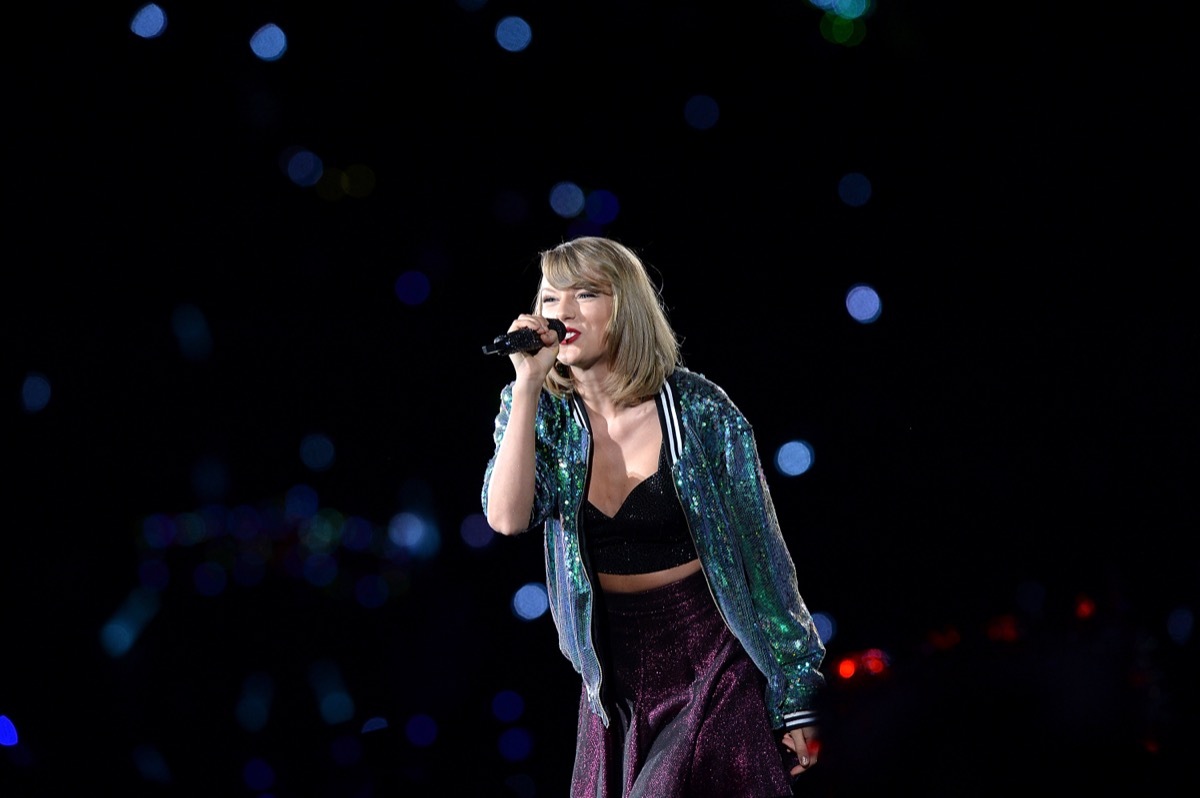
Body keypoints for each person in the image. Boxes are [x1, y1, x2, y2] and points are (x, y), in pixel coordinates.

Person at [482, 236, 827, 797]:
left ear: (626, 308)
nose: (561, 312)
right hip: (611, 679)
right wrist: (525, 386)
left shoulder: (699, 411)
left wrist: (797, 698)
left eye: (585, 294)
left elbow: (765, 564)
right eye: (550, 298)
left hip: (712, 656)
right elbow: (506, 517)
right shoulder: (542, 415)